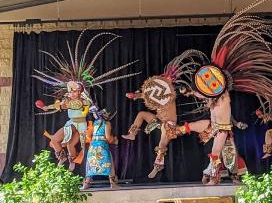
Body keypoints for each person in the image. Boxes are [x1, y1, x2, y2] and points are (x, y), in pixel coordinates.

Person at [176, 0, 272, 185]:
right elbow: (203, 92)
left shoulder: (223, 96)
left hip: (223, 130)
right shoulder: (214, 97)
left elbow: (209, 93)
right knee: (219, 153)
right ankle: (215, 176)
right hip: (219, 130)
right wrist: (189, 91)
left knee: (218, 154)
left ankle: (215, 176)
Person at [33, 31, 137, 172]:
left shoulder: (81, 100)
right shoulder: (71, 100)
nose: (72, 92)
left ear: (80, 90)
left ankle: (65, 158)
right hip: (76, 124)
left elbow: (75, 105)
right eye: (70, 90)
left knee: (54, 140)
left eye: (75, 90)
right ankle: (70, 161)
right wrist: (47, 107)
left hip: (76, 124)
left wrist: (88, 108)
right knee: (69, 145)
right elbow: (61, 105)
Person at [122, 49, 204, 178]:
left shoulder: (171, 94)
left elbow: (183, 91)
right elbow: (148, 94)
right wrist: (135, 95)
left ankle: (157, 167)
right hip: (158, 120)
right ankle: (132, 134)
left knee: (161, 145)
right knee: (142, 114)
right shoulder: (159, 93)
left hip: (169, 125)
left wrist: (186, 90)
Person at [82, 108, 119, 189]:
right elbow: (108, 138)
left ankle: (86, 183)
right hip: (102, 146)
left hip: (93, 145)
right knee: (109, 162)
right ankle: (113, 183)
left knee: (91, 164)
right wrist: (114, 140)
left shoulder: (95, 123)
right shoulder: (107, 123)